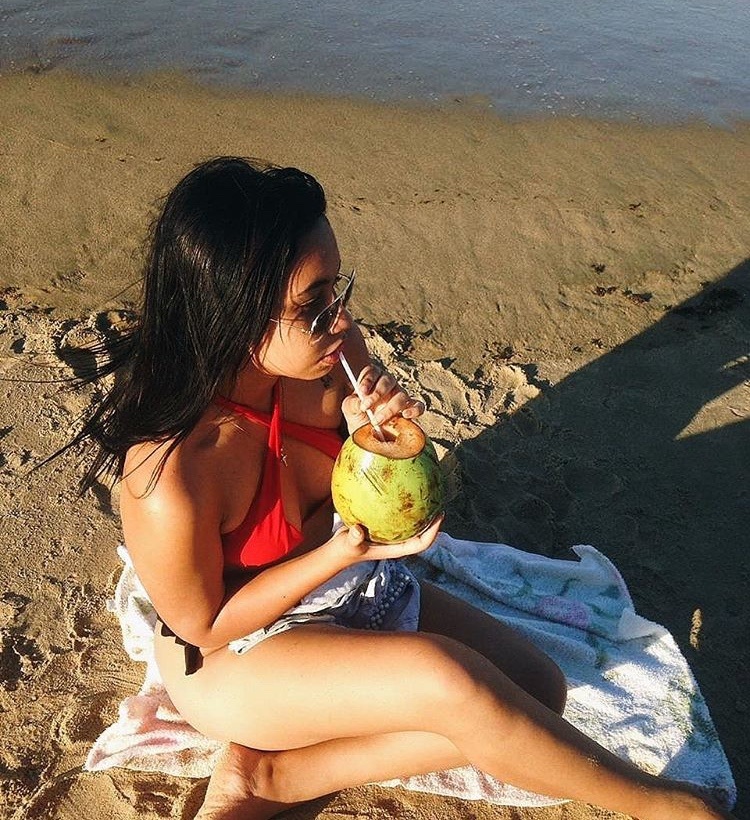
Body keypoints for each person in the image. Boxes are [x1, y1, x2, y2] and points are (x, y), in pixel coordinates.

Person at [71, 156, 734, 820]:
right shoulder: (170, 473)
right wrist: (341, 553)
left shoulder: (328, 356)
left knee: (535, 689)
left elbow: (385, 471)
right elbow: (206, 626)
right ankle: (662, 807)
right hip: (237, 657)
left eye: (337, 290)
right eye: (311, 304)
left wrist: (370, 432)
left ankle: (276, 775)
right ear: (233, 314)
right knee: (449, 679)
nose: (339, 319)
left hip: (350, 592)